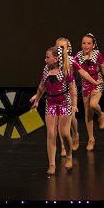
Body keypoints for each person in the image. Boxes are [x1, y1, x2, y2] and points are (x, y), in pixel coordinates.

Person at [30, 46, 77, 175]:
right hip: (50, 103)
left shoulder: (66, 70)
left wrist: (74, 104)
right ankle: (52, 164)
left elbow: (72, 89)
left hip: (64, 103)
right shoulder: (46, 70)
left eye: (47, 57)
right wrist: (37, 100)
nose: (45, 60)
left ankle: (69, 156)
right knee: (51, 133)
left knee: (64, 133)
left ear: (56, 59)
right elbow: (41, 87)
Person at [73, 33, 104, 151]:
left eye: (89, 43)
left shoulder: (97, 54)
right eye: (84, 43)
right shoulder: (78, 56)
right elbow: (69, 67)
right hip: (85, 85)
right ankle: (91, 139)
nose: (86, 45)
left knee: (93, 104)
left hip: (97, 83)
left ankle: (101, 115)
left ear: (93, 45)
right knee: (88, 114)